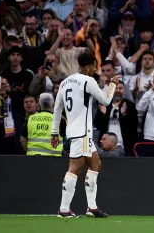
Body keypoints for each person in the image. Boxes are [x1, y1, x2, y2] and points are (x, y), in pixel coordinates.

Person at [50, 52, 119, 218]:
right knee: (75, 168)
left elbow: (57, 108)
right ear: (87, 67)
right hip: (82, 133)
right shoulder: (88, 81)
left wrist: (54, 132)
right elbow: (106, 101)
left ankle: (92, 208)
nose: (95, 69)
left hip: (75, 132)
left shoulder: (65, 82)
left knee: (95, 163)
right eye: (94, 66)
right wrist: (112, 85)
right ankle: (64, 209)